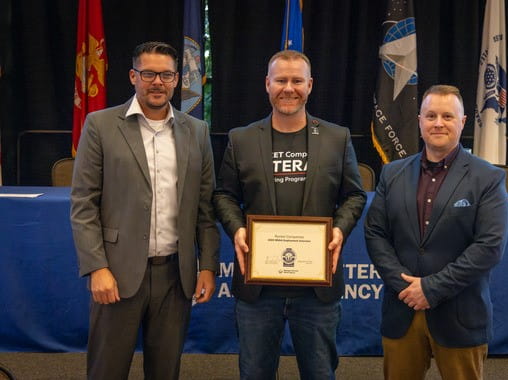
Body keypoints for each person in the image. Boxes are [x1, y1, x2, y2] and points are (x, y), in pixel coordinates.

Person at [70, 41, 220, 380]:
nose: (157, 82)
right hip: (117, 274)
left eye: (166, 75)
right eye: (149, 73)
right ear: (133, 76)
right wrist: (96, 267)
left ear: (177, 79)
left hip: (175, 276)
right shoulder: (100, 125)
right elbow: (83, 205)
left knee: (165, 371)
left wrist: (207, 265)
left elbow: (205, 207)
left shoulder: (197, 131)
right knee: (107, 370)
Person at [213, 50, 366, 379]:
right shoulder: (241, 139)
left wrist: (339, 229)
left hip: (317, 291)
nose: (288, 87)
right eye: (280, 80)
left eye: (297, 80)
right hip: (258, 289)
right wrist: (237, 229)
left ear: (310, 85)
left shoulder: (336, 138)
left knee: (320, 373)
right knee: (254, 373)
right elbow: (224, 194)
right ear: (267, 84)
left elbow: (354, 195)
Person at [365, 84, 508, 380]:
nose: (438, 123)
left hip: (459, 313)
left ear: (462, 121)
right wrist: (405, 287)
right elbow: (375, 234)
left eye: (447, 116)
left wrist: (431, 289)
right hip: (401, 309)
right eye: (430, 115)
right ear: (419, 121)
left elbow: (489, 246)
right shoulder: (392, 174)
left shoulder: (488, 177)